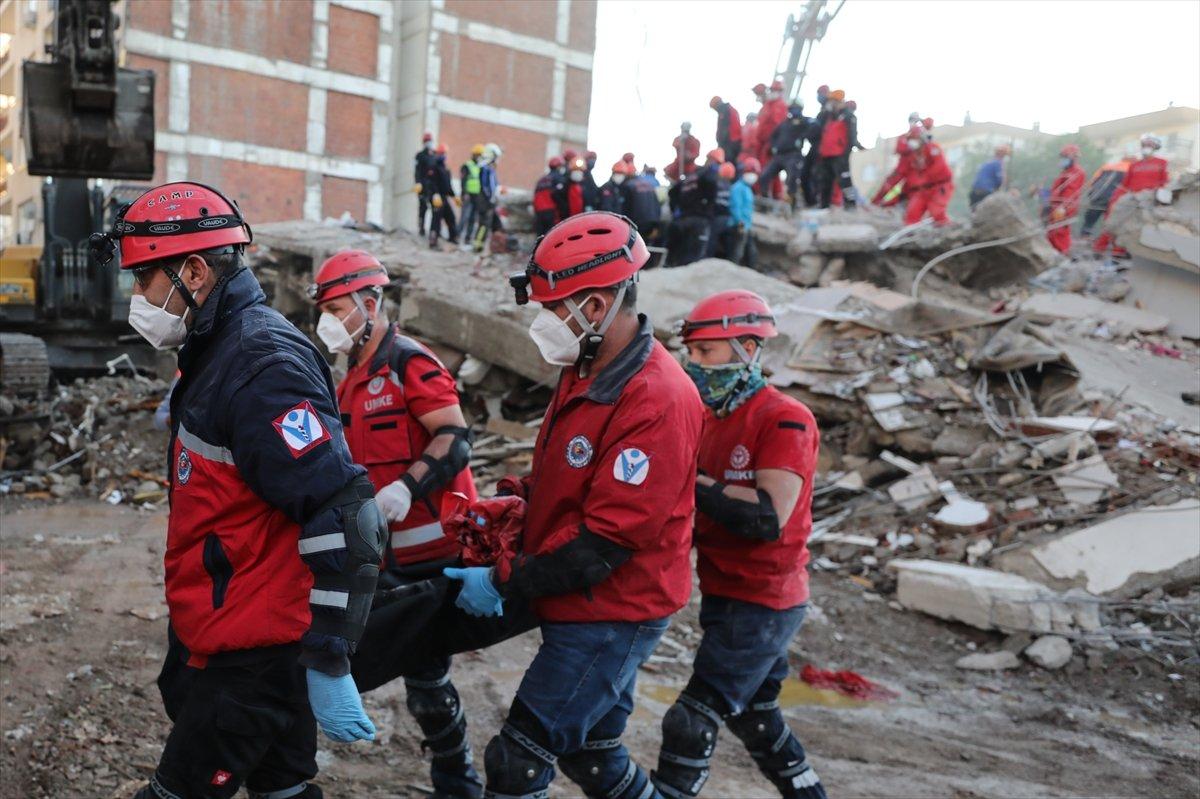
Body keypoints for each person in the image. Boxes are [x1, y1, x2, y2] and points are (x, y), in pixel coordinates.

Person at [93, 182, 385, 799]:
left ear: (194, 272)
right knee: (282, 789)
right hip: (235, 632)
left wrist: (331, 654)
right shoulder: (218, 350)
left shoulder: (258, 363)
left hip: (256, 652)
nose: (136, 297)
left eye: (143, 280)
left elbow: (345, 512)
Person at [446, 211, 704, 799]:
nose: (543, 322)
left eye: (549, 308)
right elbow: (570, 477)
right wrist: (516, 508)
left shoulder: (656, 398)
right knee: (593, 755)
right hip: (582, 600)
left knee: (518, 759)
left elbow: (604, 544)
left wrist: (505, 580)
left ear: (594, 306)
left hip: (614, 608)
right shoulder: (587, 367)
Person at [307, 250, 484, 797]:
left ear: (371, 303)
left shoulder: (408, 362)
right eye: (325, 309)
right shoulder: (349, 381)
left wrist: (406, 487)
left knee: (426, 677)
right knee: (396, 668)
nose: (329, 320)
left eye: (338, 307)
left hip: (434, 555)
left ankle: (459, 779)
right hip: (382, 556)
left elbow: (455, 436)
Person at [652, 291, 825, 799]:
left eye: (706, 353)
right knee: (755, 716)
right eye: (692, 353)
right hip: (725, 594)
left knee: (692, 719)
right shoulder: (705, 419)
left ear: (749, 347)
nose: (694, 365)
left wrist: (691, 480)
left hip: (766, 601)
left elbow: (766, 517)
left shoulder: (785, 419)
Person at [1093, 133, 1170, 257]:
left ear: (1155, 147)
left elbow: (1165, 184)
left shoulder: (1162, 163)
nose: (1146, 147)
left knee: (1135, 229)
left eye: (1149, 145)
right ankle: (1104, 251)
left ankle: (1125, 253)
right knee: (1114, 223)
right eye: (1144, 145)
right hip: (1131, 201)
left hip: (1148, 202)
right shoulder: (1134, 165)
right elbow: (1124, 186)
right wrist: (1115, 202)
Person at [668, 150, 720, 266]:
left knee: (679, 256)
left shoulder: (690, 175)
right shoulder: (709, 173)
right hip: (699, 220)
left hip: (683, 220)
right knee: (694, 259)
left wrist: (676, 210)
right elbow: (712, 191)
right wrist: (708, 208)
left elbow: (672, 192)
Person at [814, 89, 857, 208]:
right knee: (825, 181)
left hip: (840, 155)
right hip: (826, 154)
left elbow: (851, 137)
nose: (831, 104)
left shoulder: (848, 116)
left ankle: (851, 205)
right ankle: (824, 206)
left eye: (833, 101)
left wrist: (845, 155)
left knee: (845, 181)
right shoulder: (829, 116)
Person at [763, 102, 809, 209]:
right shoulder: (784, 123)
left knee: (792, 178)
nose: (794, 111)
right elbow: (773, 135)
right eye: (792, 108)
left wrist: (801, 139)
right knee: (764, 176)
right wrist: (774, 146)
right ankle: (765, 204)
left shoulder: (804, 122)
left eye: (796, 108)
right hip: (779, 155)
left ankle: (792, 205)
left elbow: (813, 128)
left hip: (793, 154)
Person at [903, 129, 954, 225]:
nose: (911, 142)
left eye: (914, 139)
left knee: (937, 212)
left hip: (940, 185)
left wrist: (922, 180)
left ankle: (949, 233)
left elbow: (939, 167)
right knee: (911, 215)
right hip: (923, 190)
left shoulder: (933, 148)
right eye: (910, 140)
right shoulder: (913, 156)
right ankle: (913, 238)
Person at [1046, 144, 1087, 254]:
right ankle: (1054, 255)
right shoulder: (1065, 172)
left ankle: (1062, 255)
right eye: (1062, 156)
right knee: (1052, 232)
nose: (1063, 159)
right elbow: (1057, 190)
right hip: (1056, 207)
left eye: (1065, 156)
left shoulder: (1077, 172)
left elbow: (1071, 193)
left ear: (1073, 158)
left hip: (1063, 208)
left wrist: (1062, 208)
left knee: (1059, 233)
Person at [1080, 155, 1133, 237]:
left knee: (1091, 218)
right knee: (1110, 223)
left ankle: (1085, 235)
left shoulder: (1109, 165)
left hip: (1098, 196)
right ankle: (1103, 241)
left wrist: (1090, 193)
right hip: (1115, 200)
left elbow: (1093, 180)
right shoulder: (1133, 168)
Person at [756, 81, 789, 199]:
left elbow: (778, 126)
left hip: (771, 143)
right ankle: (765, 193)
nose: (774, 93)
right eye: (773, 90)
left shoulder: (780, 106)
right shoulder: (769, 105)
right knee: (764, 168)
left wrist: (774, 144)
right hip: (763, 143)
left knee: (769, 170)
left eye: (776, 90)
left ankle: (774, 195)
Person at [799, 85, 829, 207]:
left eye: (822, 93)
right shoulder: (821, 113)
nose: (820, 96)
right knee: (805, 174)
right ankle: (810, 201)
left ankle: (818, 201)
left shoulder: (830, 113)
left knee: (818, 175)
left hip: (822, 148)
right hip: (814, 147)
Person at [726, 157, 759, 269]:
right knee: (737, 252)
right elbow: (735, 207)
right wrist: (740, 223)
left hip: (746, 226)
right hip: (739, 225)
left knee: (751, 252)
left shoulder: (748, 189)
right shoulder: (737, 188)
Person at [871, 130, 917, 208]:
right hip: (901, 169)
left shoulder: (921, 140)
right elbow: (899, 149)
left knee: (909, 190)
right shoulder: (904, 137)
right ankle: (875, 203)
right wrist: (910, 146)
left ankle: (891, 205)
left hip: (913, 171)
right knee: (888, 185)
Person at [428, 144, 460, 247]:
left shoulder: (445, 169)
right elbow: (431, 182)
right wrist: (435, 194)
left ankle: (453, 238)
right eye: (442, 153)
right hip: (437, 197)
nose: (443, 155)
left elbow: (448, 185)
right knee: (436, 219)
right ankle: (433, 240)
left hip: (445, 197)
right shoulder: (434, 167)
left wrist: (454, 196)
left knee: (451, 217)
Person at [460, 144, 487, 244]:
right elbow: (463, 181)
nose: (480, 157)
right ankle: (458, 235)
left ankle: (468, 238)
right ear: (475, 155)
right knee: (464, 216)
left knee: (472, 218)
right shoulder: (467, 165)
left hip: (476, 196)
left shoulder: (480, 167)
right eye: (479, 155)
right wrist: (464, 193)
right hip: (468, 194)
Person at [534, 156, 567, 236]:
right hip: (552, 211)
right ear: (559, 166)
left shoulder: (542, 179)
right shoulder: (559, 178)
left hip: (539, 212)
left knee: (540, 236)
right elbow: (558, 194)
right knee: (551, 235)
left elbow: (535, 195)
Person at [969, 144, 1010, 209]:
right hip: (985, 195)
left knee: (975, 214)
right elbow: (1000, 180)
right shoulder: (998, 163)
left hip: (974, 193)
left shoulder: (987, 162)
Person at [415, 132, 437, 235]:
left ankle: (433, 230)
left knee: (435, 208)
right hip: (423, 185)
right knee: (423, 207)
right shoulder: (420, 155)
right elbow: (417, 171)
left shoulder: (434, 155)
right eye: (427, 141)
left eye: (430, 141)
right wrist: (418, 183)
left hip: (433, 186)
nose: (429, 143)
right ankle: (421, 228)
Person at [713, 161, 736, 257]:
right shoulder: (732, 188)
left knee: (712, 241)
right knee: (728, 244)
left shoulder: (717, 185)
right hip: (728, 219)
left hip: (717, 217)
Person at [711, 95, 743, 163]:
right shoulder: (728, 109)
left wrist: (721, 145)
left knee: (728, 161)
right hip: (734, 141)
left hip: (731, 142)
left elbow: (725, 129)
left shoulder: (725, 110)